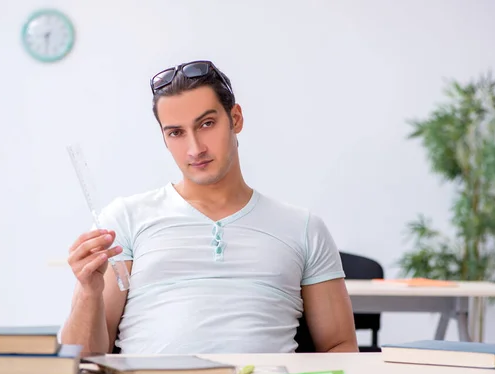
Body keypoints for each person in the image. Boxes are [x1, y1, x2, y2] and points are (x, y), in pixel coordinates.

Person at [60, 60, 359, 354]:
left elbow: (339, 346)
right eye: (176, 132)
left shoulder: (304, 228)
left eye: (206, 124)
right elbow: (81, 359)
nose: (195, 149)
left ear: (236, 119)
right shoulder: (123, 220)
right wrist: (89, 291)